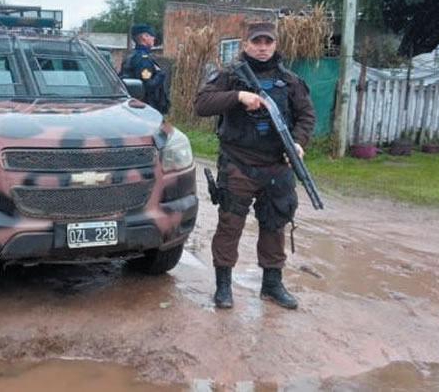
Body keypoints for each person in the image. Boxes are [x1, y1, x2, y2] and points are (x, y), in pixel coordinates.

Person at [193, 22, 315, 310]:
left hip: (276, 165)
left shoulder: (291, 80)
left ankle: (272, 284)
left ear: (275, 45)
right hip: (239, 164)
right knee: (230, 224)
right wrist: (238, 97)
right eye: (256, 42)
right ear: (246, 45)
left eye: (267, 42)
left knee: (275, 223)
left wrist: (297, 143)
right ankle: (224, 286)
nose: (262, 48)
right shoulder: (230, 77)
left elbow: (306, 116)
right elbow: (202, 104)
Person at [120, 23, 170, 114]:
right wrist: (160, 75)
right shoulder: (143, 59)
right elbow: (147, 86)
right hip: (146, 108)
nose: (153, 38)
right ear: (144, 37)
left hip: (133, 107)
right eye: (151, 36)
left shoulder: (130, 56)